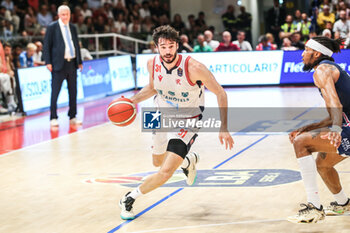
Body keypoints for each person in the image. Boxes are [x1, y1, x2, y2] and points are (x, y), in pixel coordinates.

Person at [119, 25, 234, 220]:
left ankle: (129, 198)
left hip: (188, 120)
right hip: (158, 113)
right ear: (156, 47)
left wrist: (224, 127)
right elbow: (154, 88)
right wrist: (132, 101)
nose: (167, 51)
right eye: (163, 47)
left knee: (165, 172)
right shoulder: (151, 64)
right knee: (157, 162)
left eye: (171, 46)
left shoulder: (194, 67)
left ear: (177, 46)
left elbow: (220, 93)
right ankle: (187, 160)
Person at [288, 36, 350, 223]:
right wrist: (308, 127)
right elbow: (336, 112)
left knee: (301, 143)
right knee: (323, 164)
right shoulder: (333, 69)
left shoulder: (322, 70)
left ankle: (314, 207)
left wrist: (336, 129)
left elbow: (334, 103)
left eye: (306, 50)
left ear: (316, 53)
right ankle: (343, 204)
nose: (302, 54)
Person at [43, 5, 83, 127]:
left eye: (67, 14)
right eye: (63, 14)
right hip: (58, 65)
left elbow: (76, 44)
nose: (65, 17)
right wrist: (48, 62)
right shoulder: (52, 27)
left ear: (70, 15)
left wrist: (79, 61)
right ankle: (53, 117)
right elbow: (46, 46)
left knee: (73, 92)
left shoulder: (73, 27)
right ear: (59, 15)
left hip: (71, 64)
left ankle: (72, 116)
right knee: (55, 92)